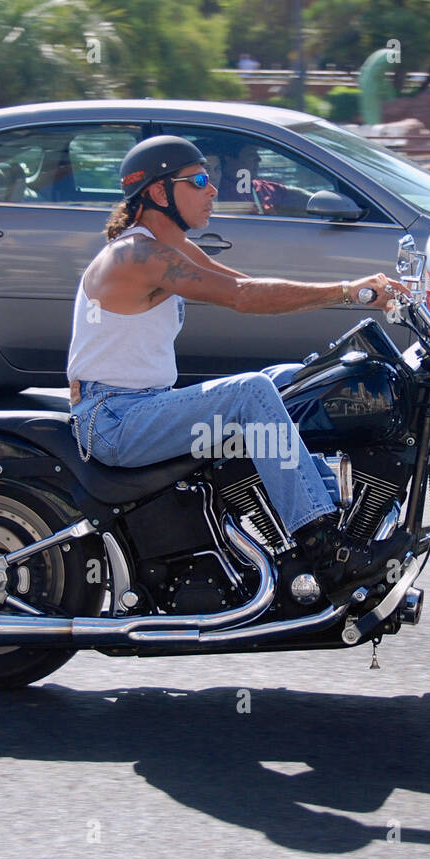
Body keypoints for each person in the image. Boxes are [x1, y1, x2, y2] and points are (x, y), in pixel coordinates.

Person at [68, 135, 409, 600]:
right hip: (115, 419)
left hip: (139, 408)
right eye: (200, 180)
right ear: (157, 192)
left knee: (285, 380)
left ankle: (336, 513)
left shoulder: (167, 249)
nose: (213, 190)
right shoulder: (138, 256)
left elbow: (244, 283)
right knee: (251, 391)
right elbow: (243, 298)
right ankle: (326, 548)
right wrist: (350, 291)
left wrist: (353, 297)